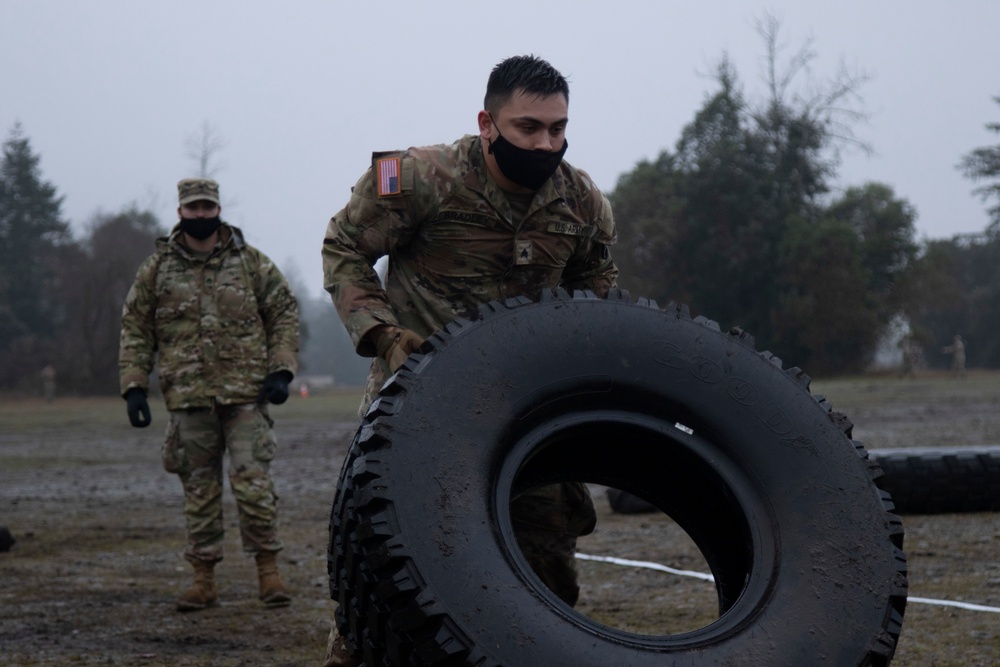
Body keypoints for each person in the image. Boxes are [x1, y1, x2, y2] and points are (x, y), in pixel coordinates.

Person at [321, 54, 618, 666]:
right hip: (419, 407)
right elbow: (345, 246)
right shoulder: (418, 178)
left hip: (526, 414)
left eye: (558, 129)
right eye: (527, 128)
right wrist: (380, 332)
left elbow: (597, 291)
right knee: (385, 573)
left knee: (547, 576)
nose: (545, 143)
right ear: (487, 122)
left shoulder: (582, 202)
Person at [119, 177, 299, 612]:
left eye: (207, 207)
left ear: (218, 209)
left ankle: (269, 574)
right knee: (199, 493)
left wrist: (281, 370)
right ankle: (203, 580)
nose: (200, 215)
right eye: (193, 208)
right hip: (189, 399)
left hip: (244, 398)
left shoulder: (251, 263)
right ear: (180, 212)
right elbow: (136, 328)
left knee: (253, 486)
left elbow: (283, 314)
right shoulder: (157, 269)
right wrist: (134, 387)